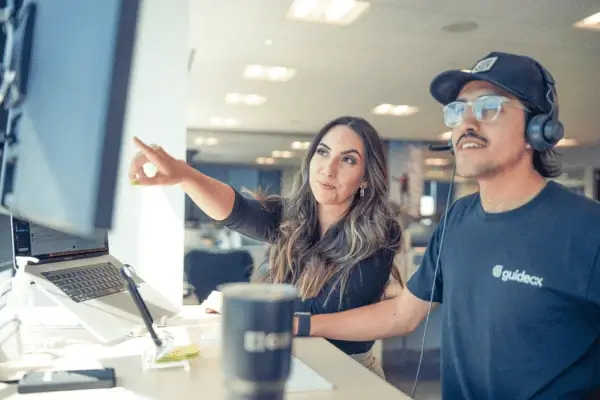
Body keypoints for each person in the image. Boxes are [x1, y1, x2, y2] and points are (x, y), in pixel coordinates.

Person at [293, 52, 600, 399]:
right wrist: (300, 325)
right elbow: (401, 314)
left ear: (538, 129)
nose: (467, 123)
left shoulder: (588, 229)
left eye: (488, 108)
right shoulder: (457, 220)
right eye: (458, 111)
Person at [128, 116, 403, 378]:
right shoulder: (293, 217)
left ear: (366, 178)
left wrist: (247, 306)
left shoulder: (378, 234)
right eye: (322, 152)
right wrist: (184, 175)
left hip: (348, 371)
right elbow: (238, 211)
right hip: (295, 359)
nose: (328, 169)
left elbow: (324, 309)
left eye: (348, 160)